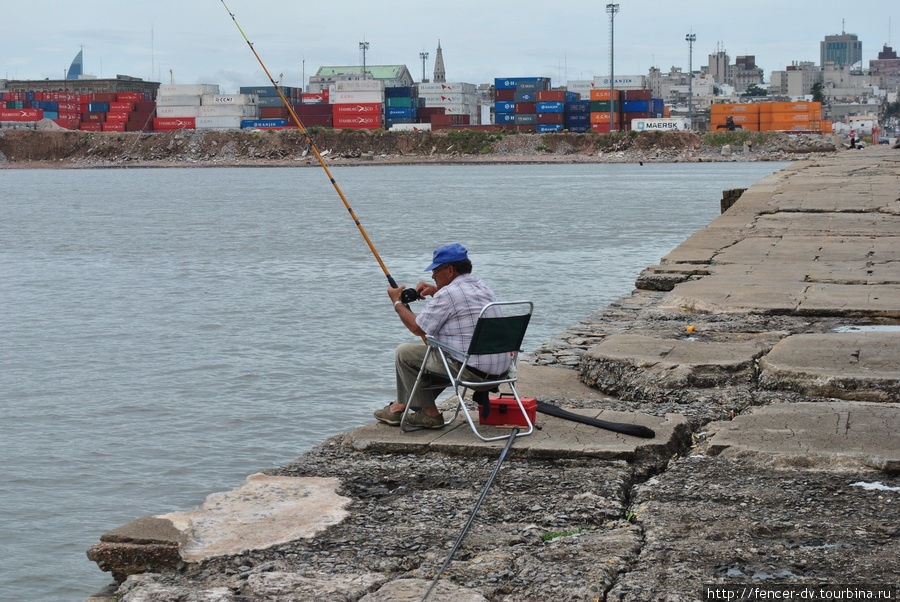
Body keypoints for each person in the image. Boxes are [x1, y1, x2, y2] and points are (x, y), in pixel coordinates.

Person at [374, 243, 510, 429]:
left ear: (450, 270)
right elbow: (463, 303)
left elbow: (417, 328)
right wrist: (435, 291)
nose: (432, 275)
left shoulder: (448, 294)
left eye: (436, 271)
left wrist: (397, 302)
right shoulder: (483, 287)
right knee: (439, 353)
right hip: (500, 372)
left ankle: (429, 414)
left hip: (472, 374)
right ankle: (402, 406)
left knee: (405, 353)